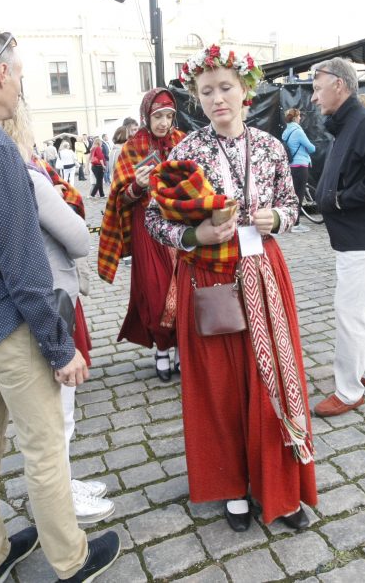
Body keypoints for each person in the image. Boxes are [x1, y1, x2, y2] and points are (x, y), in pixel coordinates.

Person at [0, 29, 118, 583]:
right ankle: (70, 559)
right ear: (0, 73)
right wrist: (60, 348)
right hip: (8, 323)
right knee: (45, 446)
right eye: (21, 75)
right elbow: (23, 262)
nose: (22, 87)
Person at [146, 45, 317, 532]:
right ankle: (231, 485)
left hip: (263, 273)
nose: (217, 98)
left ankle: (277, 488)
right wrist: (192, 235)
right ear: (196, 98)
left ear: (246, 90)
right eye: (206, 91)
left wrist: (279, 217)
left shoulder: (270, 147)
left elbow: (292, 202)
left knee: (272, 381)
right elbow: (155, 219)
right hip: (210, 277)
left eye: (225, 88)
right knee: (220, 385)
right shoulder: (186, 152)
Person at [1, 101, 115, 525]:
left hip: (16, 301)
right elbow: (78, 238)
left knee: (50, 409)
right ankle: (58, 498)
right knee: (58, 410)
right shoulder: (28, 177)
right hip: (49, 295)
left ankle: (62, 483)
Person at [309, 57, 365, 417]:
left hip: (364, 236)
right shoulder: (350, 123)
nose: (314, 98)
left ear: (339, 85)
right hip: (357, 235)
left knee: (350, 312)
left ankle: (349, 390)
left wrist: (338, 200)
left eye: (317, 89)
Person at [99, 88, 185, 381]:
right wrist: (137, 186)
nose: (163, 122)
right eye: (158, 115)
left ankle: (181, 349)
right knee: (156, 292)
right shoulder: (132, 147)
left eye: (169, 116)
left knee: (186, 290)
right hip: (147, 229)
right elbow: (120, 197)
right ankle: (161, 347)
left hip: (179, 226)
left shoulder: (181, 141)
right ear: (146, 115)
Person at [282, 108, 316, 233]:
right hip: (301, 165)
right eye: (299, 116)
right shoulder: (298, 131)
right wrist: (310, 148)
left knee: (294, 194)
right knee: (299, 195)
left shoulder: (286, 131)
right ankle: (296, 224)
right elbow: (311, 148)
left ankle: (293, 221)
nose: (301, 118)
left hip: (291, 166)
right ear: (296, 117)